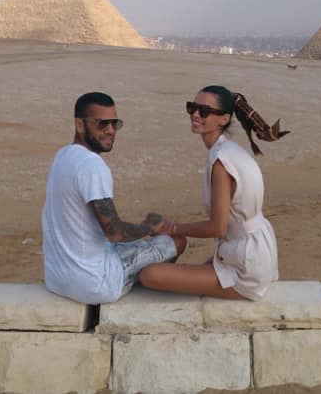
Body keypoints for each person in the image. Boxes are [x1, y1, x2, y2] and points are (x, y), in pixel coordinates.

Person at [139, 86, 289, 300]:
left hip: (246, 266)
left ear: (224, 119)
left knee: (149, 275)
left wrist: (172, 228)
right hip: (253, 250)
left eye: (204, 111)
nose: (195, 114)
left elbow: (217, 227)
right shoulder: (231, 150)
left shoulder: (221, 161)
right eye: (192, 108)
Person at [42, 92, 187, 304]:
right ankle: (146, 292)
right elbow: (115, 232)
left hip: (57, 278)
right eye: (102, 124)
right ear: (80, 125)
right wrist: (150, 225)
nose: (110, 130)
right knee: (176, 240)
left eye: (115, 124)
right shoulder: (91, 165)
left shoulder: (62, 155)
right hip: (94, 283)